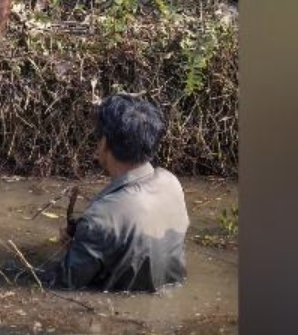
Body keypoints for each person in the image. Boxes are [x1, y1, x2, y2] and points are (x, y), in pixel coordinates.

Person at [45, 93, 190, 292]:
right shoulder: (171, 183)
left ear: (104, 143)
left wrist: (72, 248)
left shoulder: (101, 218)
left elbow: (60, 286)